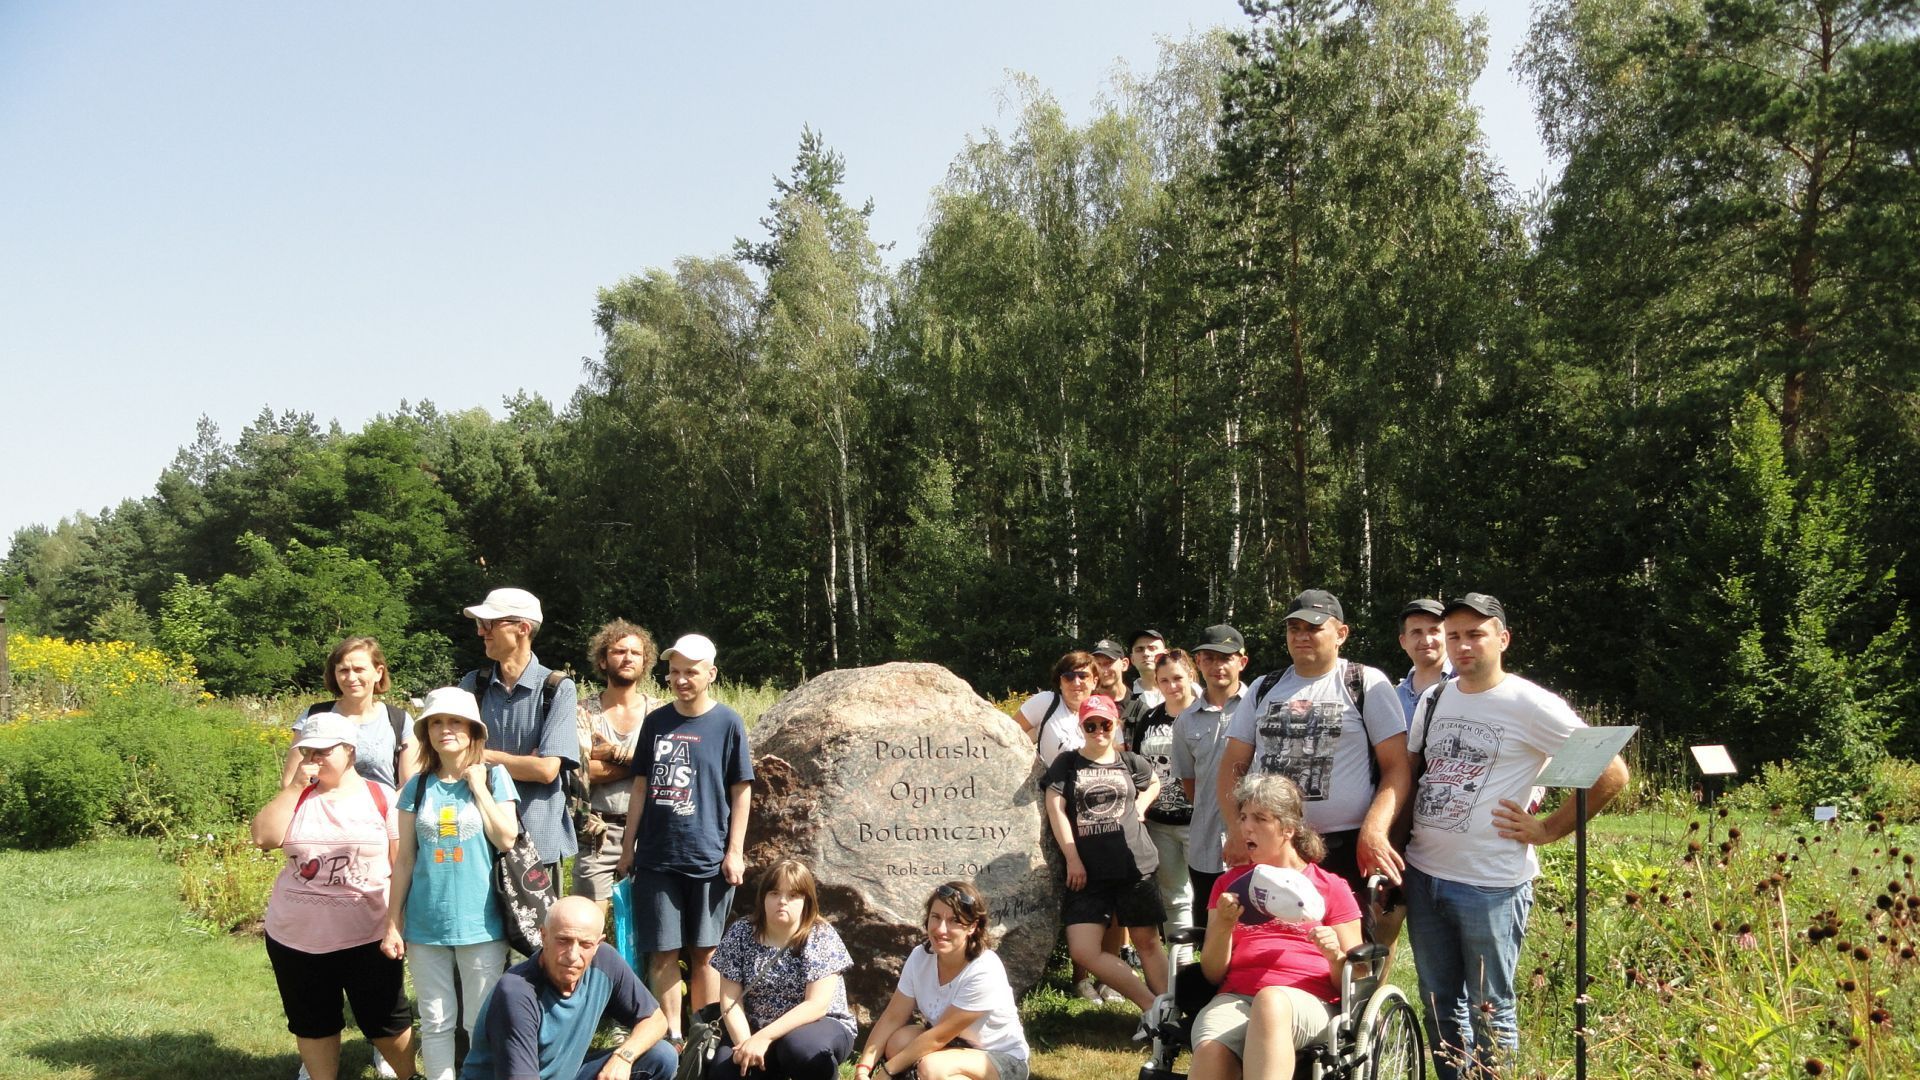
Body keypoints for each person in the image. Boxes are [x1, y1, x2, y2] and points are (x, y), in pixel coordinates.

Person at [1402, 593, 1629, 1080]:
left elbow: (1611, 771)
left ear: (1502, 639)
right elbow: (1416, 773)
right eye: (1455, 635)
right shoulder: (1434, 697)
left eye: (1476, 635)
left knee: (1489, 1008)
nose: (1462, 646)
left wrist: (1547, 829)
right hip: (1424, 873)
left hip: (1491, 884)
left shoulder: (1532, 703)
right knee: (1439, 1003)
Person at [1217, 590, 1412, 916]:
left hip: (1343, 847)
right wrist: (1237, 830)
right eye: (1294, 628)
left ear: (1341, 633)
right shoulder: (1264, 687)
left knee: (1345, 945)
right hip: (1271, 843)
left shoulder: (1364, 683)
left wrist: (1374, 831)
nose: (1301, 636)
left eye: (1313, 628)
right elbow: (1231, 767)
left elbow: (1397, 767)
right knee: (1271, 940)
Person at [252, 714, 418, 1080]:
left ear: (350, 750)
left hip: (368, 934)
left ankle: (409, 1076)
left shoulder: (382, 798)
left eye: (324, 751)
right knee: (313, 1023)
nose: (314, 759)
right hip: (295, 936)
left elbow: (400, 864)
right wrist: (293, 788)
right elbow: (264, 837)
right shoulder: (299, 797)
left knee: (386, 1022)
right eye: (307, 751)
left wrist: (396, 924)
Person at [615, 633, 754, 1046]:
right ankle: (672, 1035)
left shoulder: (728, 722)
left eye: (690, 672)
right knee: (660, 952)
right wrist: (628, 848)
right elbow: (640, 787)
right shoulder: (656, 722)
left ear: (710, 674)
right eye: (674, 672)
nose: (680, 680)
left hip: (708, 858)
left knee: (705, 953)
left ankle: (703, 1035)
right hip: (657, 858)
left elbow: (741, 790)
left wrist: (735, 852)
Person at [383, 686, 521, 1080]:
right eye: (437, 722)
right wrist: (394, 922)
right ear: (426, 731)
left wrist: (477, 787)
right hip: (427, 922)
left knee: (479, 1020)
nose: (446, 729)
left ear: (473, 730)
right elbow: (405, 859)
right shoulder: (417, 786)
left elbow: (506, 838)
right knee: (436, 1018)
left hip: (481, 922)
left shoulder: (496, 778)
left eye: (455, 721)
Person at [1189, 774, 1364, 1080]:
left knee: (1271, 1002)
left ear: (1288, 828)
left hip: (1310, 1000)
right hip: (1237, 997)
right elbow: (1213, 973)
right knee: (1210, 1052)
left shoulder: (1329, 887)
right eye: (1243, 817)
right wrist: (1223, 928)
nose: (1246, 827)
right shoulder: (1229, 885)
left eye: (1260, 818)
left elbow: (1357, 978)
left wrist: (1335, 955)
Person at [1042, 695, 1170, 1030]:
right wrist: (1072, 857)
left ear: (1116, 724)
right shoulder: (1067, 764)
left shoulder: (1130, 761)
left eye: (1105, 724)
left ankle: (1170, 1017)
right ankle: (1151, 1006)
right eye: (1091, 725)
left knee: (1147, 943)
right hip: (1088, 873)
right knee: (1083, 949)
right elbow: (1055, 808)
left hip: (1135, 866)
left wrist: (1142, 805)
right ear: (1081, 726)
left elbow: (1153, 780)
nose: (1099, 731)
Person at [463, 896, 679, 1080]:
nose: (572, 955)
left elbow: (656, 1020)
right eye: (563, 941)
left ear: (598, 944)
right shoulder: (517, 992)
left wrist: (624, 1056)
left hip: (566, 1073)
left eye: (585, 944)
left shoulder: (605, 961)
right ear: (543, 935)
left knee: (661, 1056)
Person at [461, 587, 580, 903]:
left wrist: (482, 755)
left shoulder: (556, 689)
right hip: (475, 839)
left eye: (489, 623)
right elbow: (453, 758)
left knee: (537, 945)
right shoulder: (473, 685)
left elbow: (546, 770)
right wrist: (520, 763)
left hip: (536, 845)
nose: (480, 632)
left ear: (523, 628)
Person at [858, 881, 1031, 1080]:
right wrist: (864, 1068)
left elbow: (938, 1036)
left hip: (1000, 1057)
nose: (941, 929)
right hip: (953, 1045)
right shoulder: (920, 957)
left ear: (972, 927)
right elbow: (893, 1017)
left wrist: (886, 1072)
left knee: (932, 1068)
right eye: (936, 917)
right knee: (898, 1042)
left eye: (954, 921)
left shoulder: (984, 969)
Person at [707, 859, 858, 1080]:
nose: (782, 902)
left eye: (793, 895)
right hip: (754, 1026)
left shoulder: (820, 935)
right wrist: (745, 1044)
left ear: (806, 901)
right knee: (725, 1072)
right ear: (763, 897)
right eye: (774, 893)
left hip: (816, 1025)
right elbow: (730, 1000)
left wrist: (764, 1038)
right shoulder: (741, 932)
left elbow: (816, 1005)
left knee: (800, 1049)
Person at [573, 619, 662, 909]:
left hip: (651, 833)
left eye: (635, 653)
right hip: (597, 833)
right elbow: (581, 773)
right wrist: (640, 763)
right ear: (603, 658)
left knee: (652, 932)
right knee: (587, 927)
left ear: (645, 661)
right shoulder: (583, 711)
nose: (628, 658)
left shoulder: (660, 712)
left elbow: (665, 771)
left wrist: (613, 753)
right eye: (619, 651)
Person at [1172, 625, 1249, 908]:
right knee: (1209, 928)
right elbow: (1189, 781)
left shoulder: (1259, 707)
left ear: (1242, 661)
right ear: (1199, 664)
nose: (1217, 666)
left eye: (1225, 658)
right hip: (1206, 843)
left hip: (1257, 841)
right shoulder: (1185, 720)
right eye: (1209, 658)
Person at [1127, 650, 1198, 941]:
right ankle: (1180, 966)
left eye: (1178, 678)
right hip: (1160, 823)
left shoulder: (1203, 714)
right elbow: (1139, 765)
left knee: (1212, 893)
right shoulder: (1150, 718)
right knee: (1173, 896)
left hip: (1199, 821)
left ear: (1191, 677)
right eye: (1164, 680)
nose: (1172, 686)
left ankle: (1214, 963)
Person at [281, 636, 414, 791]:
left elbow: (409, 786)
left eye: (359, 669)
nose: (351, 678)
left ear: (378, 672)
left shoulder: (399, 720)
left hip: (383, 812)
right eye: (344, 670)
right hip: (323, 811)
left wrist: (387, 812)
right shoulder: (314, 716)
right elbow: (290, 781)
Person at [1012, 651, 1097, 768]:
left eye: (1083, 676)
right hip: (1053, 785)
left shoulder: (1103, 711)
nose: (1076, 682)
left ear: (1094, 682)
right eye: (1069, 677)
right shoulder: (1046, 702)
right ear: (1060, 683)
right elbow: (1008, 732)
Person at [1395, 598, 1451, 723]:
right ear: (1403, 641)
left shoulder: (1464, 684)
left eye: (1434, 631)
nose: (1426, 641)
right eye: (1416, 632)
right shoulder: (1396, 696)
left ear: (1448, 635)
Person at [1122, 629, 1169, 737]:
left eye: (1152, 648)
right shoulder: (1126, 695)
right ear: (1132, 659)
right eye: (1139, 649)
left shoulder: (1186, 690)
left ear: (1166, 655)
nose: (1146, 653)